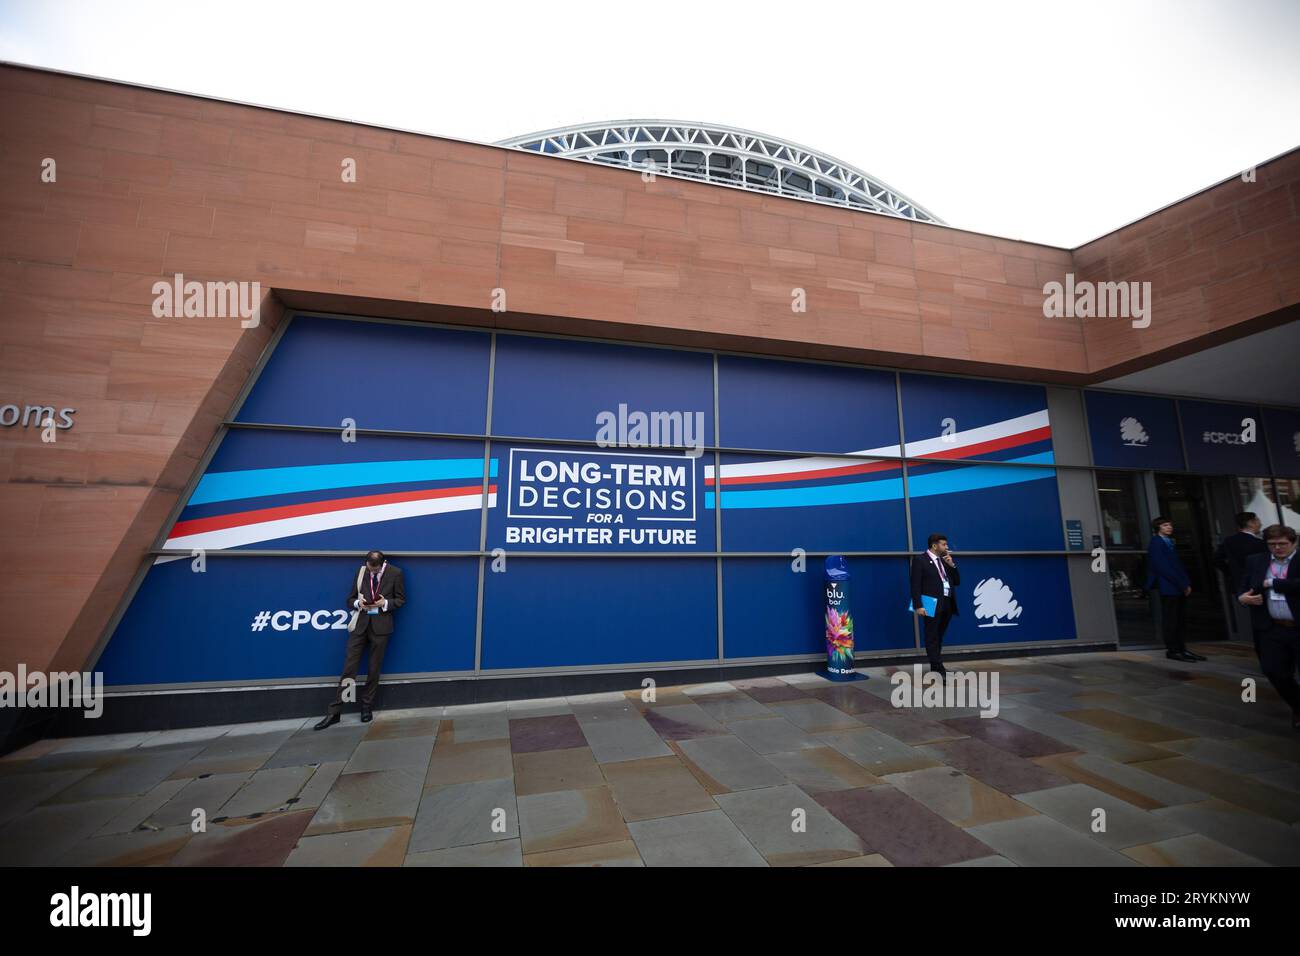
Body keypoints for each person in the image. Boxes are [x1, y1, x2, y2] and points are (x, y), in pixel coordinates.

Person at [315, 550, 406, 730]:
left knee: (374, 669)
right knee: (349, 668)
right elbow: (349, 600)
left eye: (375, 570)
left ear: (383, 564)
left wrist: (384, 603)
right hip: (360, 626)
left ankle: (366, 707)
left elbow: (401, 600)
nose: (372, 572)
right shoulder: (362, 571)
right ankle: (336, 711)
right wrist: (358, 603)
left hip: (381, 628)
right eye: (370, 569)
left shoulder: (396, 573)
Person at [1237, 524, 1300, 731]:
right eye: (1272, 544)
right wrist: (1243, 598)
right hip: (1272, 628)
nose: (1277, 548)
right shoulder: (1256, 561)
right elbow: (1244, 585)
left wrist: (1273, 583)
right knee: (1274, 671)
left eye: (1282, 544)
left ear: (1293, 542)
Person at [1146, 516, 1204, 663]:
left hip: (1177, 585)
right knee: (1171, 620)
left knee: (1180, 619)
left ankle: (1182, 649)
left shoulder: (1169, 542)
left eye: (1170, 525)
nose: (1169, 527)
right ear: (1158, 528)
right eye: (1165, 525)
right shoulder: (1156, 543)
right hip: (1169, 586)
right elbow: (1163, 567)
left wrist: (1186, 583)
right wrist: (1182, 584)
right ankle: (1173, 650)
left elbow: (1177, 565)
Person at [911, 533, 960, 677]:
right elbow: (915, 585)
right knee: (931, 635)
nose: (947, 547)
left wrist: (952, 565)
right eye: (944, 544)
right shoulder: (920, 560)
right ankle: (939, 668)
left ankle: (936, 667)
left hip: (947, 602)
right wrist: (918, 605)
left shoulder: (945, 560)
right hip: (929, 602)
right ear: (934, 545)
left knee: (939, 635)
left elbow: (957, 581)